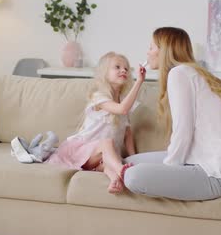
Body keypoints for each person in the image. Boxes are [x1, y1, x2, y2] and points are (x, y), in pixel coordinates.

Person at [122, 27, 221, 201]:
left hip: (216, 175)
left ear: (164, 51)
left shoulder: (179, 74)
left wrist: (169, 170)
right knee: (127, 162)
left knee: (132, 176)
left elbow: (183, 131)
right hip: (218, 166)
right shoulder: (194, 73)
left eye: (151, 47)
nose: (147, 52)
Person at [46, 52, 146, 194]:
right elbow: (122, 109)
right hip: (83, 152)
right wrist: (139, 82)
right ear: (104, 73)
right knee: (107, 143)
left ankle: (114, 181)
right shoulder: (99, 97)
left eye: (126, 68)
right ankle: (123, 171)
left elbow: (127, 134)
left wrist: (134, 157)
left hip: (101, 158)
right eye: (117, 67)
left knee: (108, 163)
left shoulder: (124, 100)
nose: (123, 70)